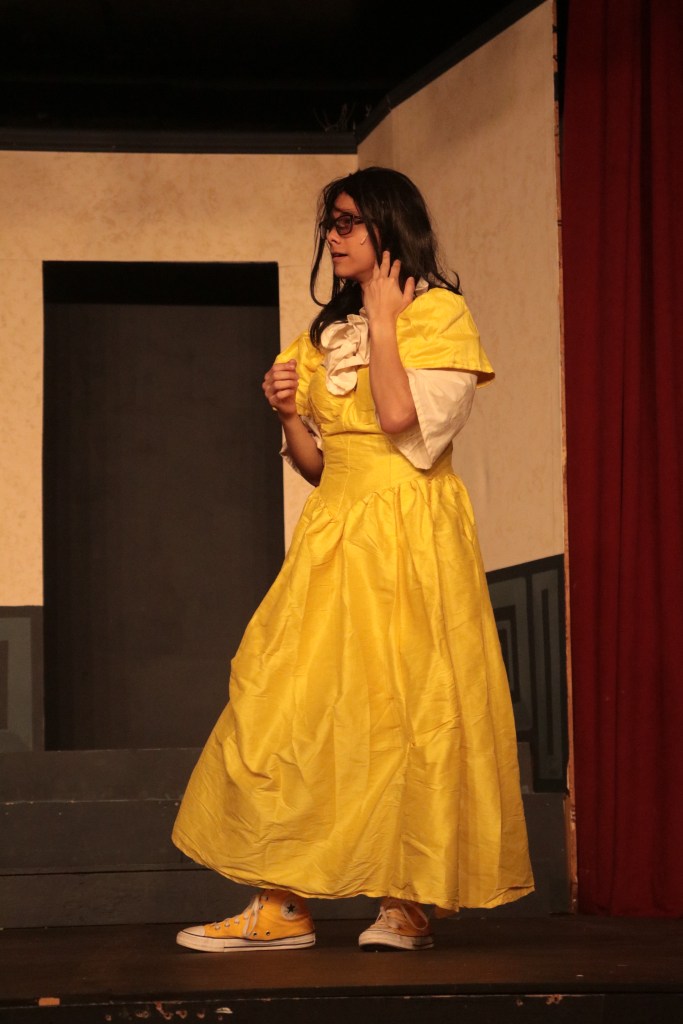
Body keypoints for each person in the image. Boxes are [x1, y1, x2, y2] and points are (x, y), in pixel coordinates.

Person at [172, 166, 534, 953]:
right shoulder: (323, 333)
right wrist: (288, 414)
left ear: (387, 226)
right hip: (335, 532)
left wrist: (386, 325)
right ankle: (282, 904)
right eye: (328, 225)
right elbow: (319, 464)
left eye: (345, 223)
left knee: (406, 708)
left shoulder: (436, 315)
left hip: (411, 533)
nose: (332, 238)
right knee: (289, 700)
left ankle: (406, 901)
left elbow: (402, 422)